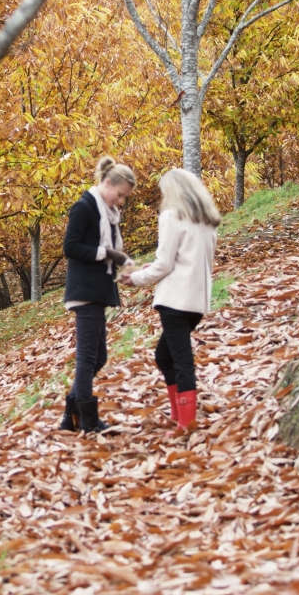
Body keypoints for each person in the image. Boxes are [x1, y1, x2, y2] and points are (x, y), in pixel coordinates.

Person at [120, 168, 220, 430]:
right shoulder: (207, 221)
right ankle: (179, 415)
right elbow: (186, 260)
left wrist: (137, 279)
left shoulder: (171, 216)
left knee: (181, 359)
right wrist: (147, 271)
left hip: (175, 299)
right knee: (164, 357)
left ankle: (186, 423)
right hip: (196, 301)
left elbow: (164, 264)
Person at [60, 155, 136, 434]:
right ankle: (88, 421)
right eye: (119, 194)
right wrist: (108, 253)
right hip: (84, 290)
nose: (120, 200)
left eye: (124, 197)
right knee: (87, 358)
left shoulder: (108, 214)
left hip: (99, 289)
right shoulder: (84, 208)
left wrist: (122, 263)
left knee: (99, 357)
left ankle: (71, 418)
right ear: (106, 183)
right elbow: (70, 247)